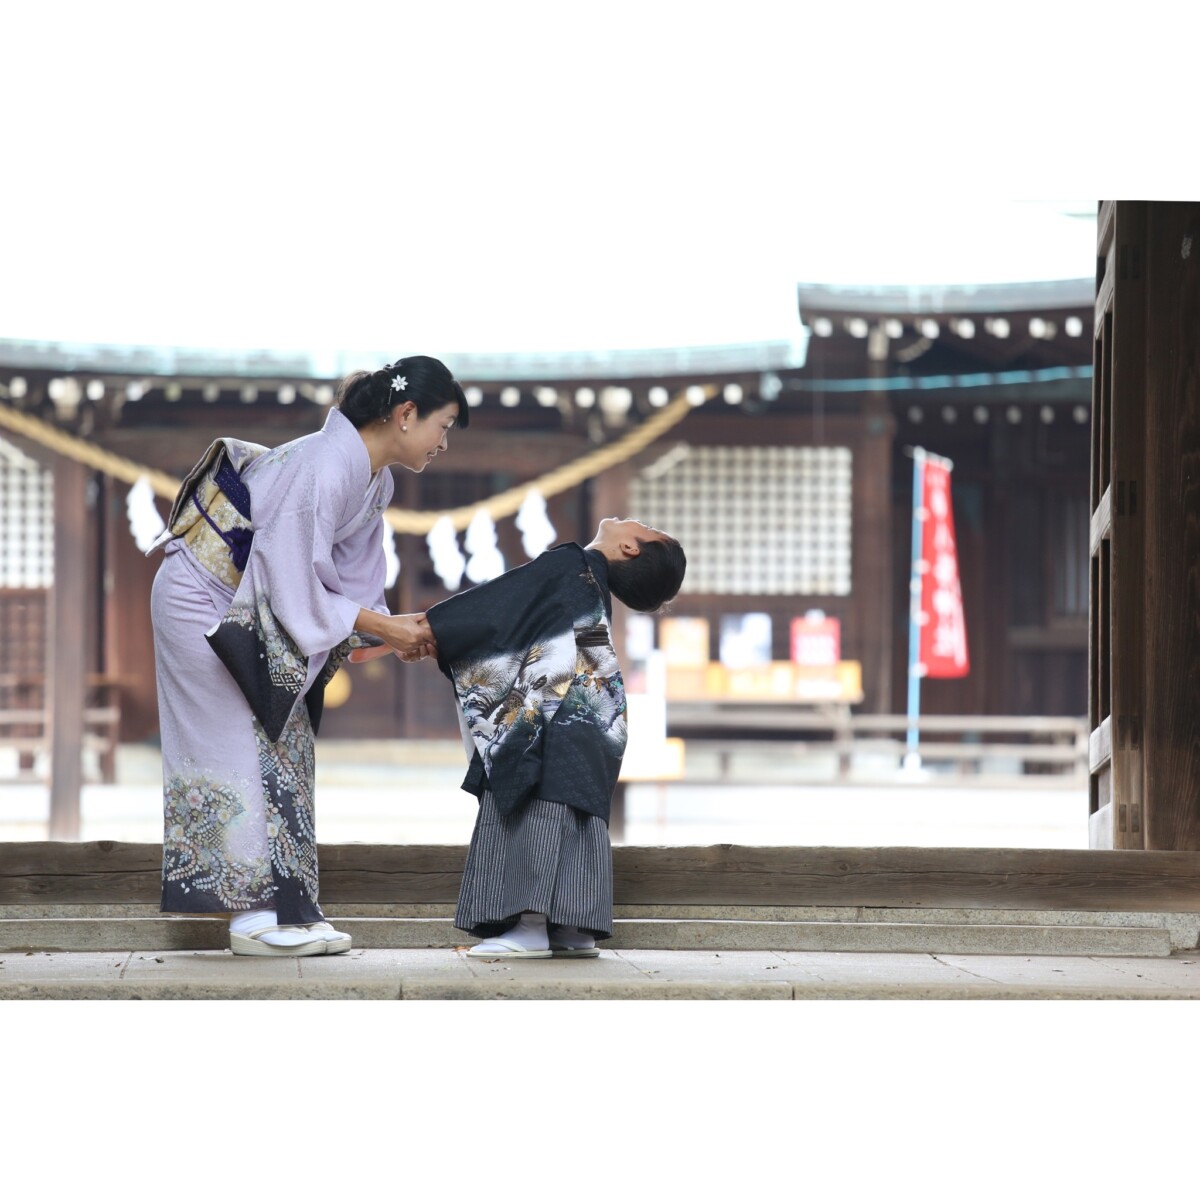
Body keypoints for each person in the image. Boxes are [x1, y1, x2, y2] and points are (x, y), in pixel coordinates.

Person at [147, 355, 466, 956]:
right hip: (202, 596)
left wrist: (387, 633)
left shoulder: (376, 480)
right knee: (234, 746)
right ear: (406, 414)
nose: (443, 443)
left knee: (287, 748)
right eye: (442, 426)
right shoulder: (322, 464)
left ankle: (290, 908)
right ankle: (250, 917)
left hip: (257, 603)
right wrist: (383, 627)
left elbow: (354, 584)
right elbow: (293, 583)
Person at [424, 518, 686, 958]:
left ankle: (529, 927)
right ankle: (574, 929)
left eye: (642, 527)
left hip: (555, 710)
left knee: (536, 802)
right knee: (577, 809)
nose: (631, 520)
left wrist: (430, 628)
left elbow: (495, 607)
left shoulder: (570, 565)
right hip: (595, 714)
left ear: (630, 547)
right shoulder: (588, 582)